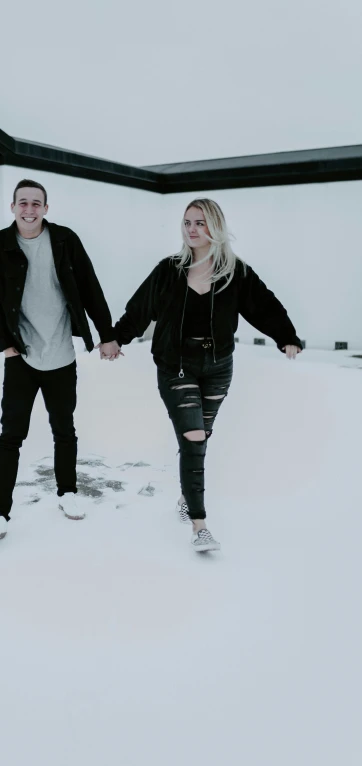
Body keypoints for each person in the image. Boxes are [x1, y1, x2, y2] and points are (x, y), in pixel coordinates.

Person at [106, 198, 303, 552]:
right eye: (187, 223)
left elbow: (265, 305)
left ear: (215, 227)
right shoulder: (169, 270)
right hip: (175, 365)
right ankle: (199, 525)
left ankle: (186, 497)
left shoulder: (234, 272)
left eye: (199, 222)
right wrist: (117, 338)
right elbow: (140, 309)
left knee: (199, 437)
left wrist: (286, 336)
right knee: (194, 435)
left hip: (217, 368)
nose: (192, 229)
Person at [0, 179, 120, 540]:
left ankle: (67, 493)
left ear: (46, 208)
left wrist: (106, 334)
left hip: (60, 354)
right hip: (21, 355)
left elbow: (90, 287)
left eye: (36, 203)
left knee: (63, 429)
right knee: (11, 434)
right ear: (12, 208)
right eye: (23, 203)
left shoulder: (64, 240)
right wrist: (3, 343)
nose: (29, 209)